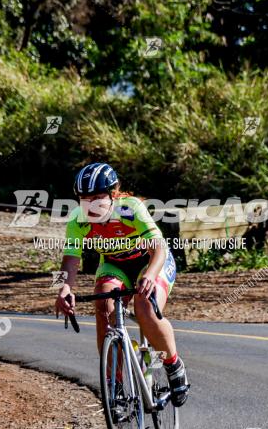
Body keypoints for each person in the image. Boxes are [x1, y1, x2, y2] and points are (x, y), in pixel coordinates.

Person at [54, 162, 189, 407]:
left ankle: (173, 365)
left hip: (151, 261)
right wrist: (65, 289)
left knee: (144, 306)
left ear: (113, 194)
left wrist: (149, 275)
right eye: (84, 199)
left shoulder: (130, 209)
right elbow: (71, 259)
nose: (91, 206)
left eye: (97, 198)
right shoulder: (77, 220)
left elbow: (158, 247)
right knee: (104, 303)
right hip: (115, 264)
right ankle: (114, 385)